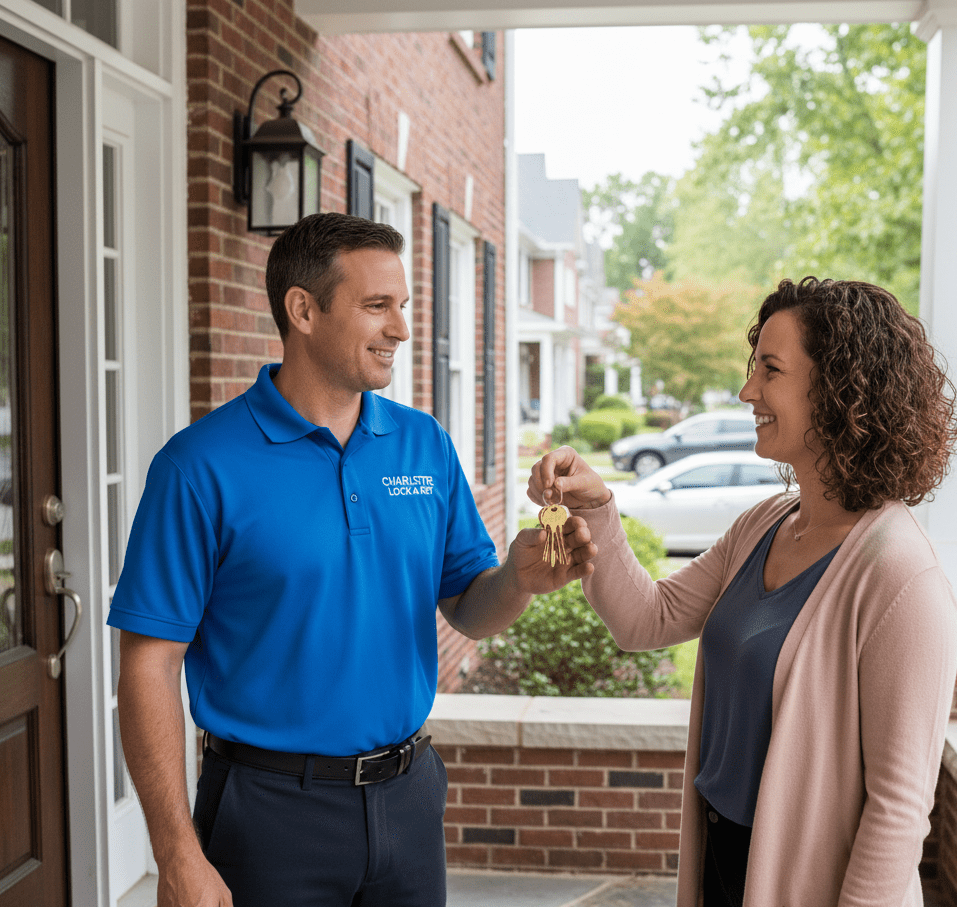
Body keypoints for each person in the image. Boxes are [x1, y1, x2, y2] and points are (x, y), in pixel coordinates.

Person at [109, 212, 597, 907]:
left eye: (402, 305)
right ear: (303, 310)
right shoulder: (198, 466)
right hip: (268, 813)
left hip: (408, 799)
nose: (401, 328)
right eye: (377, 306)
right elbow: (148, 664)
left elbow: (468, 607)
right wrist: (175, 853)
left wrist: (518, 580)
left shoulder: (424, 445)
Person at [528, 277, 957, 907]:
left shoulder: (900, 577)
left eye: (770, 370)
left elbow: (898, 808)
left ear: (841, 390)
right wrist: (596, 504)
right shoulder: (765, 524)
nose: (747, 390)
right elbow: (647, 619)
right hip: (722, 861)